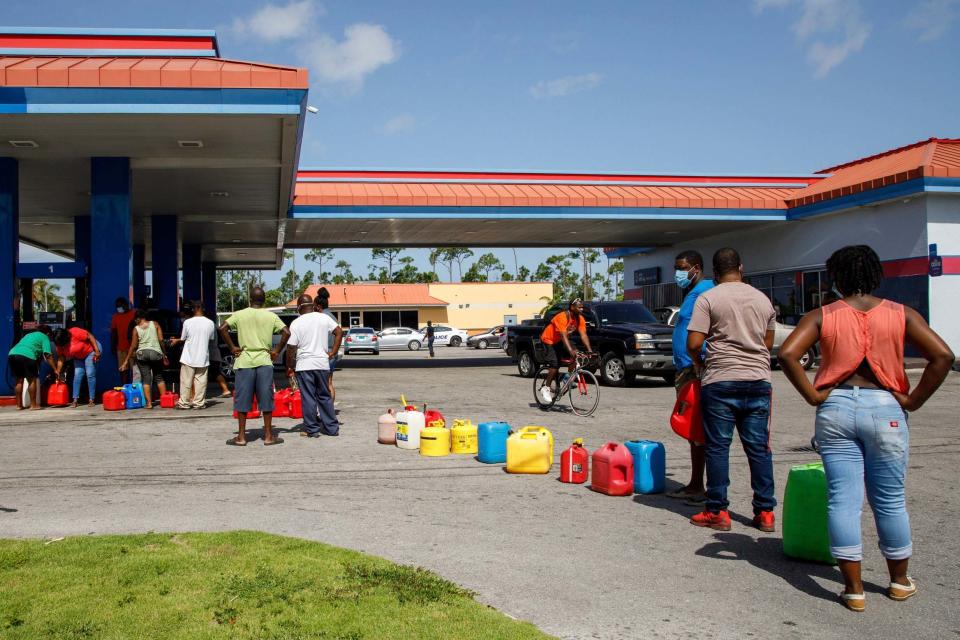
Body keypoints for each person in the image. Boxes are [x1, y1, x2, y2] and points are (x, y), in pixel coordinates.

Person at [779, 245, 954, 612]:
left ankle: (854, 589)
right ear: (875, 275)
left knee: (843, 500)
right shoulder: (901, 314)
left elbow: (788, 354)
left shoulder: (822, 315)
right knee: (889, 500)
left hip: (837, 406)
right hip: (885, 407)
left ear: (838, 278)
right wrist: (913, 400)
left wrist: (813, 395)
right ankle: (899, 581)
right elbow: (942, 356)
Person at [686, 248, 777, 533]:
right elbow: (768, 342)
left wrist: (701, 363)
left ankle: (717, 511)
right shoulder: (762, 299)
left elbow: (693, 343)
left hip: (720, 380)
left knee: (717, 448)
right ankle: (765, 513)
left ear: (713, 272)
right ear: (741, 266)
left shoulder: (708, 298)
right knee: (759, 449)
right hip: (758, 381)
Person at [666, 250, 714, 504]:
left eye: (682, 268)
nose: (678, 273)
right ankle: (697, 483)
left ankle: (698, 485)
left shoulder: (704, 290)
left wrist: (699, 362)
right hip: (686, 367)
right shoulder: (693, 292)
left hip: (695, 368)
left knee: (697, 429)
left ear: (696, 267)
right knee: (693, 429)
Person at [219, 287, 290, 446]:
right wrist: (276, 350)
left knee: (243, 399)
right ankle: (268, 436)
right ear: (264, 300)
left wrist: (232, 348)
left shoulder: (240, 314)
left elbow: (222, 328)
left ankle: (242, 437)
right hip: (264, 360)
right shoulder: (271, 316)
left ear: (250, 299)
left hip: (244, 361)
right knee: (266, 398)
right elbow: (286, 332)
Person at [286, 293, 343, 437]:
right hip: (322, 364)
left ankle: (312, 429)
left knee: (308, 397)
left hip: (304, 366)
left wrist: (289, 366)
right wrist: (334, 352)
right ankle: (331, 428)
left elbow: (291, 348)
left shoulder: (296, 323)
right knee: (324, 396)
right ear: (312, 305)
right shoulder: (324, 318)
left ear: (299, 307)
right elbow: (339, 332)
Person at [539, 298, 593, 404]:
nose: (581, 309)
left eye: (582, 307)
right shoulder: (562, 316)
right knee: (554, 364)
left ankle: (567, 377)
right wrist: (570, 350)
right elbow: (563, 335)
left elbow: (583, 335)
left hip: (561, 340)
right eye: (579, 307)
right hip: (549, 340)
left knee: (576, 353)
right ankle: (546, 388)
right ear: (572, 307)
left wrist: (590, 350)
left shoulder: (580, 319)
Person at [169, 301, 216, 410]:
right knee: (201, 382)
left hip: (188, 357)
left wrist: (176, 341)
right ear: (203, 309)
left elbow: (183, 338)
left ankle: (184, 403)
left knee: (186, 381)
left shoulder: (187, 322)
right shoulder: (210, 323)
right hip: (203, 357)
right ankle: (199, 403)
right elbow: (210, 339)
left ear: (193, 309)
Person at [120, 310, 169, 409]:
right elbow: (161, 340)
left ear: (139, 318)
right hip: (156, 353)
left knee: (146, 379)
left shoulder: (136, 329)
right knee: (159, 377)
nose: (135, 321)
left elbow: (133, 346)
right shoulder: (155, 324)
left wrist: (125, 361)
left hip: (142, 354)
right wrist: (164, 353)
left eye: (135, 319)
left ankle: (149, 404)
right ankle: (165, 402)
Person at [7, 326, 60, 410]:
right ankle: (33, 405)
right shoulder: (45, 337)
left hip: (12, 354)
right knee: (32, 380)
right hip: (28, 355)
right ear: (48, 333)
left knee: (19, 380)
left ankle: (19, 405)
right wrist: (55, 369)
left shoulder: (28, 335)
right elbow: (48, 355)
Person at [54, 326, 101, 407]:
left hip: (90, 351)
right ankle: (75, 400)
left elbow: (90, 336)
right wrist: (58, 371)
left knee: (90, 374)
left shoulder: (74, 332)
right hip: (78, 357)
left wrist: (96, 351)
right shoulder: (59, 345)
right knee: (77, 375)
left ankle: (91, 399)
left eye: (62, 344)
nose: (61, 347)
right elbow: (61, 358)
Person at [316, 289, 340, 406]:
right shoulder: (333, 317)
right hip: (332, 354)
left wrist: (331, 352)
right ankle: (330, 409)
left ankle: (324, 409)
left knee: (321, 384)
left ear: (318, 306)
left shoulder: (321, 318)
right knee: (329, 382)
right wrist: (334, 352)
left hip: (325, 354)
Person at [110, 297, 137, 384]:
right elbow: (113, 333)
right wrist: (113, 346)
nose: (119, 308)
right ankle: (124, 388)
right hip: (121, 348)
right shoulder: (115, 317)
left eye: (120, 306)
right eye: (117, 306)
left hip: (133, 348)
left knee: (135, 371)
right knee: (123, 370)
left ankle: (134, 389)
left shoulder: (133, 314)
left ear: (125, 305)